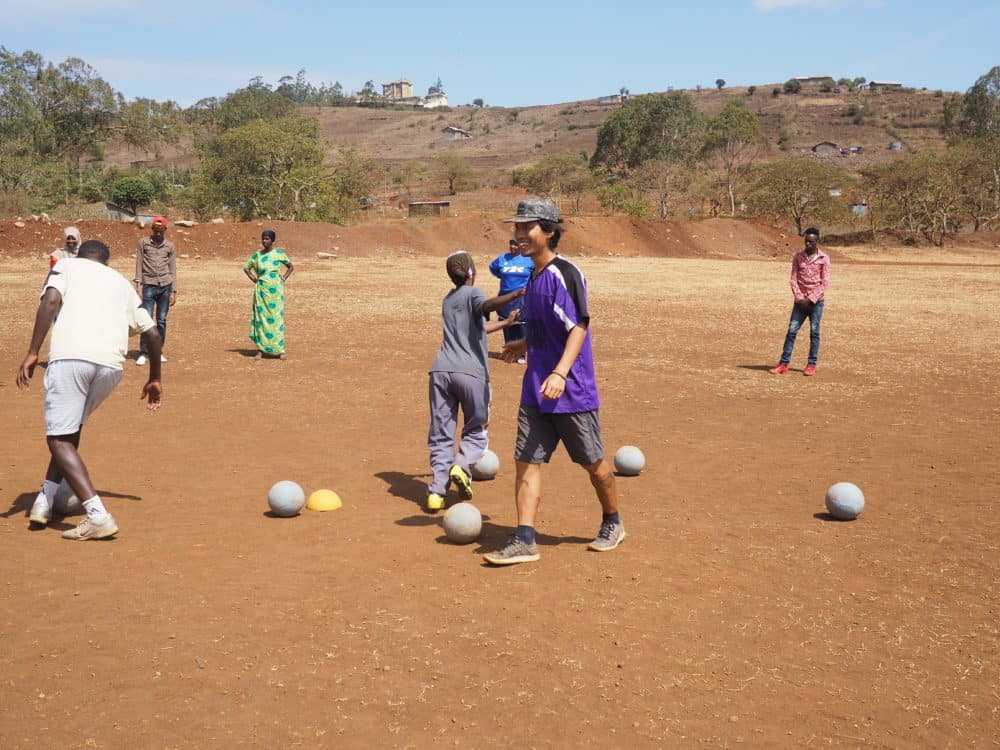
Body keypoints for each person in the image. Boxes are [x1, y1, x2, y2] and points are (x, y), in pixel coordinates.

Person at [483, 198, 624, 566]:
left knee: (594, 464)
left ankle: (613, 521)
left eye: (526, 227)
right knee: (525, 461)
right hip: (535, 389)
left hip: (571, 390)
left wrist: (560, 373)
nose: (519, 234)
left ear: (548, 231)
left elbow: (578, 326)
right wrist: (523, 344)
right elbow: (546, 327)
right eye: (516, 227)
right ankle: (524, 538)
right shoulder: (533, 277)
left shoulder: (566, 273)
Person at [17, 239, 163, 540]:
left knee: (58, 439)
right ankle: (45, 500)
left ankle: (98, 515)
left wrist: (33, 351)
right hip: (110, 367)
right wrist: (155, 378)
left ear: (79, 255)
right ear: (106, 262)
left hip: (71, 359)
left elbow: (51, 300)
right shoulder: (120, 282)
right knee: (69, 431)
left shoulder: (66, 266)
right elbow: (152, 332)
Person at [426, 251, 525, 512]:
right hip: (470, 374)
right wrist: (515, 294)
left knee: (441, 433)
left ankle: (436, 492)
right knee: (476, 430)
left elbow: (477, 328)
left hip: (440, 372)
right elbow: (487, 305)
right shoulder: (474, 293)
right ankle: (462, 466)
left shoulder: (448, 300)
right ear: (471, 272)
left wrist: (506, 323)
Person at [768, 227, 830, 377]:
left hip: (816, 303)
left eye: (811, 242)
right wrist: (799, 297)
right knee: (791, 331)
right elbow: (793, 278)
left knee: (814, 332)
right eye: (806, 241)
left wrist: (811, 299)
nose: (808, 244)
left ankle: (811, 364)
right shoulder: (798, 256)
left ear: (817, 241)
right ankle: (783, 364)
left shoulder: (824, 258)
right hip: (800, 302)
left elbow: (825, 282)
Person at [243, 230, 294, 359]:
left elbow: (291, 267)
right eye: (263, 239)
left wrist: (283, 278)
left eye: (266, 239)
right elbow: (246, 268)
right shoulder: (257, 256)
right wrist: (254, 279)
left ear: (272, 240)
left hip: (276, 292)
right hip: (261, 292)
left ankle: (280, 350)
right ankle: (260, 350)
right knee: (261, 319)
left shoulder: (279, 254)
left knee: (276, 319)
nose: (264, 241)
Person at [134, 216, 177, 366]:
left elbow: (172, 269)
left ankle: (158, 351)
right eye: (156, 230)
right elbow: (139, 263)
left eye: (161, 231)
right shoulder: (143, 243)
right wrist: (138, 286)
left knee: (161, 320)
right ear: (152, 229)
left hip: (165, 286)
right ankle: (144, 352)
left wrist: (173, 291)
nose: (158, 233)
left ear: (165, 230)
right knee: (146, 320)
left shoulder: (170, 246)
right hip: (149, 285)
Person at [488, 237, 534, 359]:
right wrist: (504, 277)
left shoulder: (528, 260)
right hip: (504, 297)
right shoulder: (502, 258)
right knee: (506, 323)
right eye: (511, 244)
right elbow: (493, 268)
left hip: (521, 297)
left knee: (520, 323)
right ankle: (509, 352)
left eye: (516, 244)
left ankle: (521, 354)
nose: (513, 247)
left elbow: (536, 272)